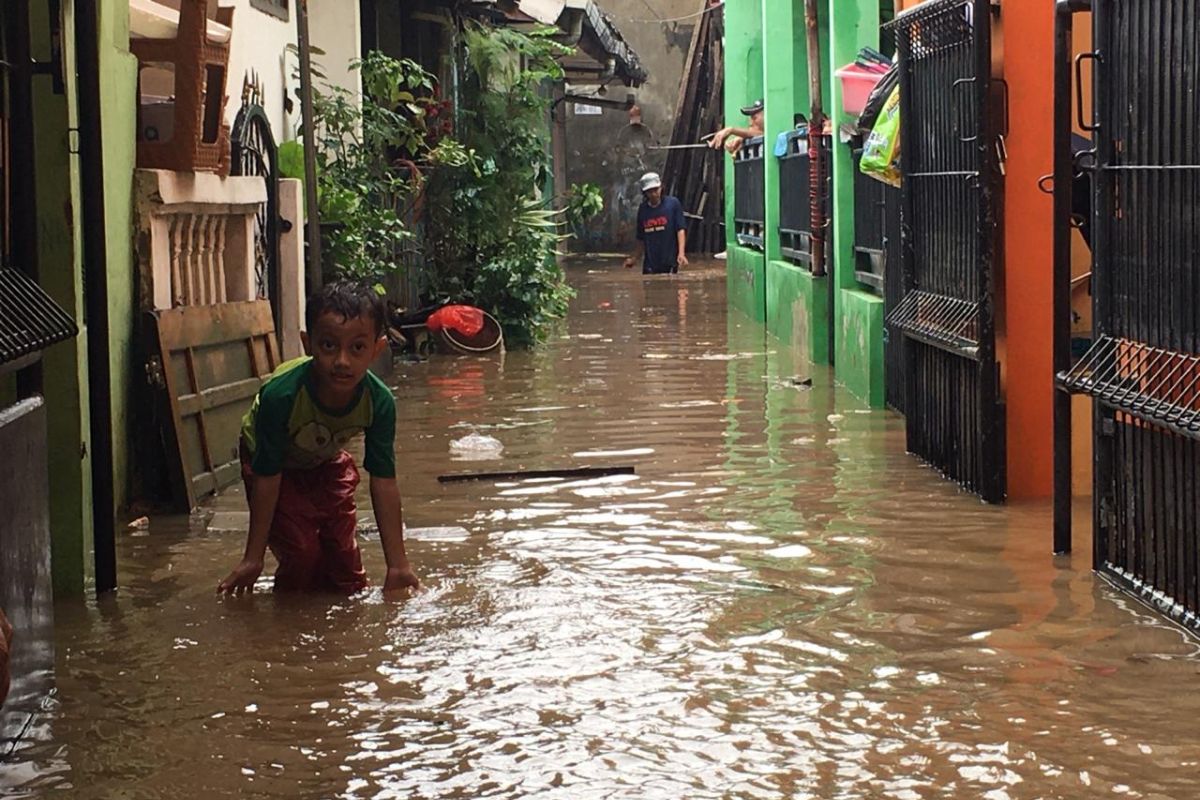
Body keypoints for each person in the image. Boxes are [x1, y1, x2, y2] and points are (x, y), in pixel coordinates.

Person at [218, 282, 420, 596]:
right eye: (328, 346)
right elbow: (268, 477)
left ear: (376, 350)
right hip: (269, 458)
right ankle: (287, 624)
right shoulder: (281, 396)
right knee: (301, 552)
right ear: (307, 343)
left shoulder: (379, 402)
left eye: (356, 348)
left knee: (345, 564)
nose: (342, 361)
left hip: (321, 456)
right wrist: (253, 559)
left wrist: (398, 565)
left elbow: (383, 481)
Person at [624, 172, 688, 275]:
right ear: (645, 193)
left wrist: (681, 253)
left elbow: (680, 229)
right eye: (650, 191)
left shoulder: (672, 204)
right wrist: (635, 258)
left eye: (656, 190)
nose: (654, 194)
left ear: (661, 187)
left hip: (669, 262)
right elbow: (641, 237)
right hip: (650, 265)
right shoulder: (643, 209)